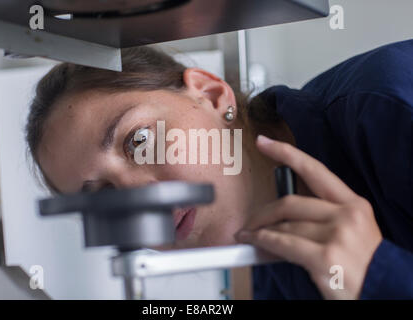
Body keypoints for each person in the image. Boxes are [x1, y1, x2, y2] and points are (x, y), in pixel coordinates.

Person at [26, 39, 413, 299]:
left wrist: (377, 275)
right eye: (106, 197)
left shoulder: (390, 106)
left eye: (139, 141)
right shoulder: (272, 263)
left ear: (212, 95)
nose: (140, 200)